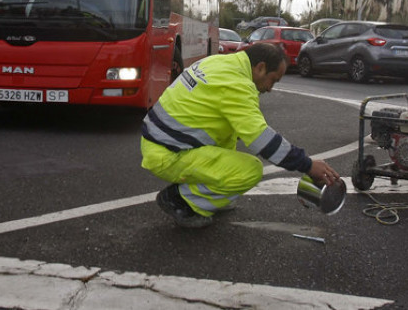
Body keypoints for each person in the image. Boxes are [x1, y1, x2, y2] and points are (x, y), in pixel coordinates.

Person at [141, 43, 340, 228]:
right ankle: (181, 200)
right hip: (168, 154)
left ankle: (211, 192)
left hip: (159, 141)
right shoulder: (237, 85)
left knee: (231, 135)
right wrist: (308, 165)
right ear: (260, 68)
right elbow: (263, 141)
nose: (270, 88)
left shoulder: (218, 62)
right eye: (273, 80)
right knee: (251, 169)